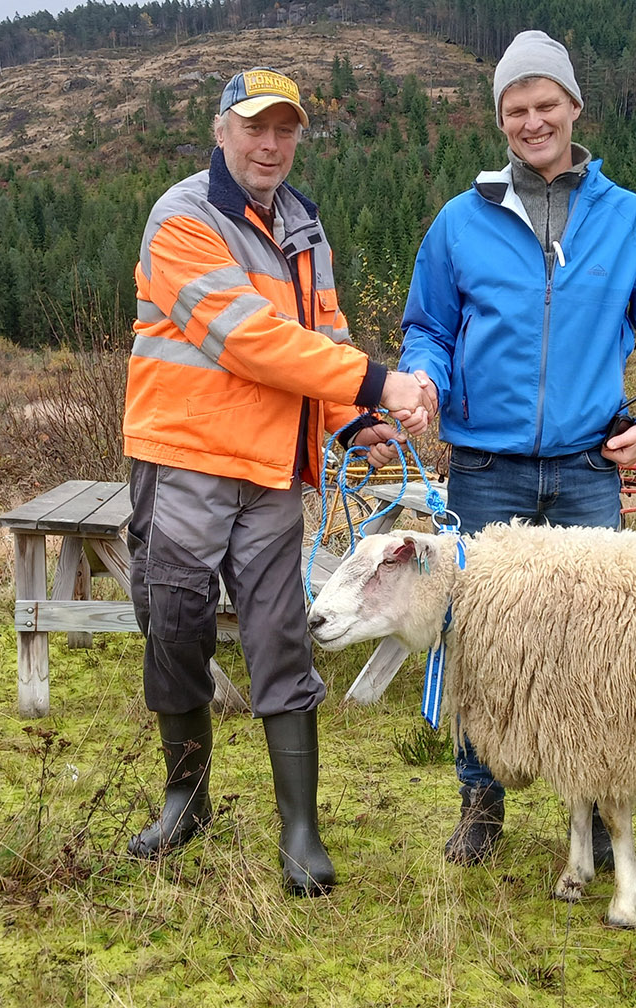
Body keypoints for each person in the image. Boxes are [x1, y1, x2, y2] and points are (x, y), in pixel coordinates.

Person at [121, 66, 432, 896]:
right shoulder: (182, 218)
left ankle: (302, 833)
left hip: (269, 473)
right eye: (255, 127)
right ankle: (185, 801)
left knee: (280, 640)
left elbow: (319, 335)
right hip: (185, 460)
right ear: (221, 131)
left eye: (285, 129)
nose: (270, 144)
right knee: (177, 629)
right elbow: (250, 340)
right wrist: (377, 383)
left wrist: (350, 422)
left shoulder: (303, 225)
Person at [398, 30, 636, 866]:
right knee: (476, 645)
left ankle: (599, 818)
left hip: (585, 471)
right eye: (515, 110)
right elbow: (428, 327)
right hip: (486, 470)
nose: (532, 122)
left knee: (600, 654)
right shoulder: (460, 223)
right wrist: (423, 380)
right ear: (500, 118)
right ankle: (480, 805)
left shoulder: (630, 221)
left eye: (546, 105)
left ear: (574, 108)